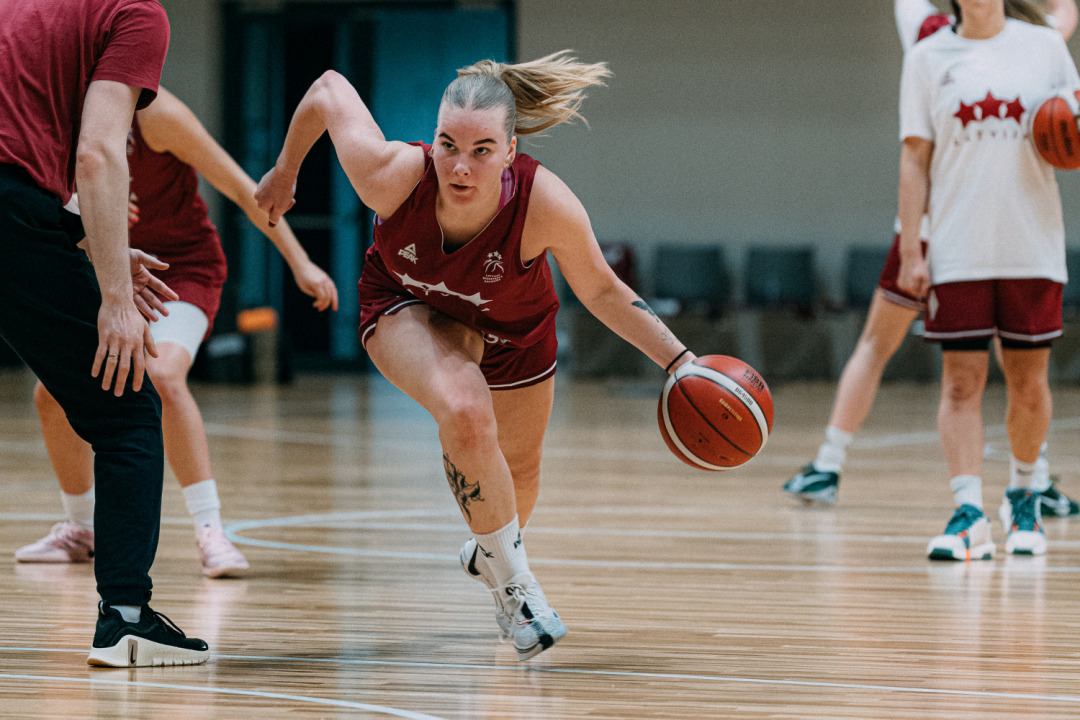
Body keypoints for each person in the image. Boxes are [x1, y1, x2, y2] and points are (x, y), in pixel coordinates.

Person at [254, 51, 697, 660]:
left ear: (511, 151)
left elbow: (600, 290)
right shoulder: (392, 176)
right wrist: (285, 171)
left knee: (520, 475)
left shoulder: (545, 204)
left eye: (482, 150)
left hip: (516, 333)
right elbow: (328, 88)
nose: (460, 167)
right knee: (464, 409)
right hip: (407, 304)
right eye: (448, 145)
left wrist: (681, 362)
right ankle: (518, 591)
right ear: (433, 140)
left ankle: (491, 553)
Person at [14, 87, 339, 578]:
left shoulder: (156, 114)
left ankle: (211, 530)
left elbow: (241, 187)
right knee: (50, 395)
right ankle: (81, 528)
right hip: (111, 270)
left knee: (162, 376)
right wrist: (92, 210)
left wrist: (301, 262)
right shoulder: (55, 112)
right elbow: (46, 201)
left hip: (180, 269)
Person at [783, 0, 1079, 517]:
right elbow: (1063, 15)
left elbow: (1058, 25)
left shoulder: (1026, 43)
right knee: (951, 363)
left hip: (996, 230)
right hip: (936, 230)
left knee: (1013, 369)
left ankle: (831, 462)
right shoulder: (935, 45)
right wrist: (911, 250)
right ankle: (832, 462)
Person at [0, 0, 208, 665]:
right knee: (127, 415)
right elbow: (96, 155)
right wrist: (116, 298)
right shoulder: (135, 12)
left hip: (23, 215)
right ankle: (126, 617)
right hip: (13, 217)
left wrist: (90, 241)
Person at [896, 0, 1080, 559]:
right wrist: (912, 248)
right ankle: (969, 513)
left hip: (1031, 244)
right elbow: (914, 158)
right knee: (960, 383)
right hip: (958, 245)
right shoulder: (928, 57)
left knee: (1029, 383)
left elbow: (1073, 121)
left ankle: (1023, 497)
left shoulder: (1043, 46)